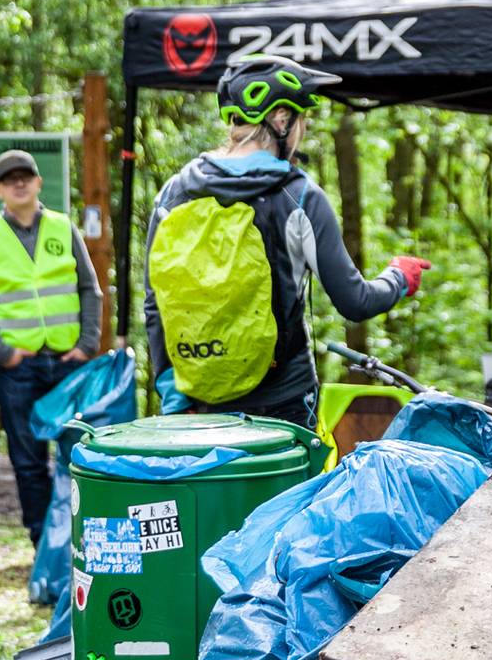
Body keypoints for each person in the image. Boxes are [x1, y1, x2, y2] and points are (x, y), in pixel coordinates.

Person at [142, 55, 430, 427]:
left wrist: (175, 401)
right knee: (290, 489)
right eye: (301, 119)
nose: (302, 130)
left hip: (197, 404)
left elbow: (156, 306)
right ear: (280, 119)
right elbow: (355, 301)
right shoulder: (300, 196)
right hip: (284, 405)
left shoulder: (174, 194)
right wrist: (398, 277)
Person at [0, 148, 100, 544]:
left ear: (39, 182)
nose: (19, 183)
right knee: (28, 462)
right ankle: (42, 543)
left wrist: (87, 343)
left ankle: (83, 542)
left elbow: (89, 288)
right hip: (17, 369)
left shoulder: (63, 227)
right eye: (10, 179)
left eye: (26, 176)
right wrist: (3, 353)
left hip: (68, 363)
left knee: (79, 456)